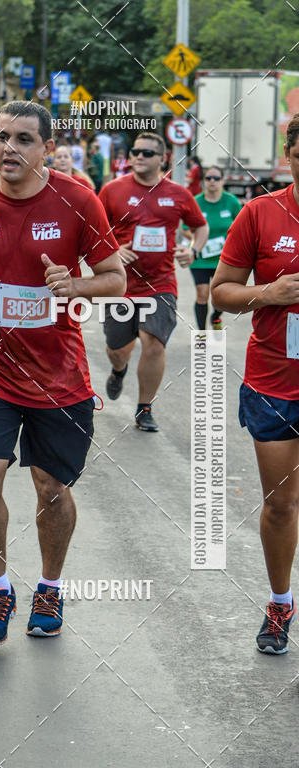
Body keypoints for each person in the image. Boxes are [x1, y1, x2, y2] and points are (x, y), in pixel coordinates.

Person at [0, 101, 125, 644]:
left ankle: (49, 585)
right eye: (1, 136)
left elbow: (114, 280)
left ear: (48, 150)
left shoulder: (78, 200)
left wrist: (75, 285)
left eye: (22, 139)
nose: (7, 148)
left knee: (52, 488)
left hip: (56, 372)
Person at [211, 114, 299, 656]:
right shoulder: (260, 214)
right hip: (274, 382)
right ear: (290, 153)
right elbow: (221, 292)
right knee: (281, 504)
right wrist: (268, 294)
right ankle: (280, 601)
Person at [99, 132, 208, 432]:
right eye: (135, 151)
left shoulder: (178, 194)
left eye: (147, 153)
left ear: (163, 159)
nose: (139, 156)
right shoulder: (112, 190)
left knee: (154, 344)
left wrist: (194, 250)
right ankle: (118, 370)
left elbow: (200, 226)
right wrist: (113, 249)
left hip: (160, 284)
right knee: (117, 348)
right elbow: (93, 229)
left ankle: (144, 408)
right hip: (118, 285)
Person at [188, 165, 242, 330]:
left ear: (223, 181)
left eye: (216, 178)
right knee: (202, 295)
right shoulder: (196, 202)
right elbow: (184, 229)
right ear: (204, 181)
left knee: (221, 298)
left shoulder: (231, 201)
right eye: (208, 178)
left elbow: (241, 228)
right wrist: (198, 241)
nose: (212, 181)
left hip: (223, 259)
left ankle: (216, 317)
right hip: (201, 259)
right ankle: (201, 335)